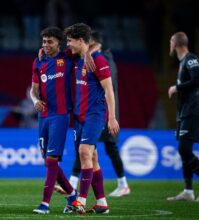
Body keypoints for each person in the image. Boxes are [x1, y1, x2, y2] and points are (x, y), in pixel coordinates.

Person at [66, 31, 130, 197]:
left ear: (89, 42)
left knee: (90, 150)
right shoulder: (81, 59)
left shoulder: (102, 60)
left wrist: (112, 117)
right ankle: (101, 200)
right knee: (91, 153)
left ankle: (79, 194)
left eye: (70, 41)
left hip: (100, 112)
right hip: (83, 115)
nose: (68, 44)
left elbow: (109, 89)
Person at [30, 26, 78, 214]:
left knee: (51, 160)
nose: (46, 45)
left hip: (60, 114)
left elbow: (83, 47)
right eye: (44, 42)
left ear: (59, 42)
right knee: (49, 162)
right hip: (44, 117)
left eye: (50, 41)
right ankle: (72, 195)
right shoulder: (38, 62)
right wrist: (35, 100)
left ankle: (45, 204)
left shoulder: (67, 58)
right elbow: (33, 89)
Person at [167, 31, 199, 202]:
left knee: (184, 149)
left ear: (175, 44)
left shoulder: (190, 59)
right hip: (184, 113)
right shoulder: (183, 62)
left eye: (170, 42)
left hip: (193, 111)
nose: (169, 46)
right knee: (183, 152)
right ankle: (188, 191)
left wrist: (177, 87)